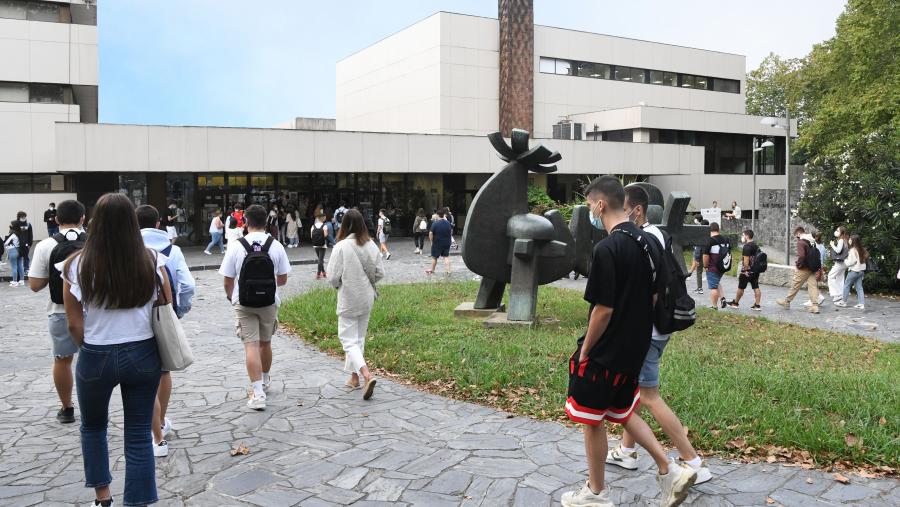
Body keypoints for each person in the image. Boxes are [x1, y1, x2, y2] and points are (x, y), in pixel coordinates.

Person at [562, 176, 696, 507]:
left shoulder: (607, 248)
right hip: (637, 344)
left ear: (600, 204)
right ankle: (669, 469)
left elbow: (602, 310)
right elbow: (653, 297)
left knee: (591, 419)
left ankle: (595, 492)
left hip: (607, 348)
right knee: (622, 410)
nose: (590, 210)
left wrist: (585, 352)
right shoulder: (648, 241)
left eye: (590, 204)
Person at [60, 192, 169, 507]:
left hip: (96, 354)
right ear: (132, 224)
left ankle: (102, 497)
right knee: (137, 434)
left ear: (94, 223)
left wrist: (91, 348)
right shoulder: (151, 259)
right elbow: (167, 303)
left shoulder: (75, 264)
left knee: (93, 427)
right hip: (143, 353)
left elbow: (73, 323)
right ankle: (137, 502)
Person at [606, 186, 712, 486]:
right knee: (634, 391)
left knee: (650, 396)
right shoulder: (657, 234)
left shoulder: (642, 240)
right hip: (659, 328)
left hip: (647, 331)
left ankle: (693, 462)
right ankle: (627, 451)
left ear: (636, 210)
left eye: (622, 208)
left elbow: (644, 292)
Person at [137, 205, 196, 458]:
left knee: (143, 375)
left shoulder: (129, 249)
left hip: (135, 319)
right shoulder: (173, 250)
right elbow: (187, 285)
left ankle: (154, 430)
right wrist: (178, 310)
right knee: (163, 371)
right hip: (163, 314)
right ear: (159, 224)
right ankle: (159, 423)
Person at [219, 204, 291, 411]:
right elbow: (283, 279)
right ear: (266, 222)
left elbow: (227, 280)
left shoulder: (237, 245)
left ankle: (258, 393)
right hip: (268, 302)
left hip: (244, 302)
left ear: (246, 222)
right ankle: (266, 379)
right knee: (265, 343)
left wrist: (231, 297)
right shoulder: (275, 245)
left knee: (250, 345)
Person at [28, 200, 86, 424]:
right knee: (93, 359)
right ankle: (94, 405)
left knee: (62, 360)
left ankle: (67, 408)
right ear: (83, 218)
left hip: (59, 311)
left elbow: (35, 285)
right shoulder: (95, 243)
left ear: (56, 219)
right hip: (93, 311)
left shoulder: (45, 245)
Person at [326, 209, 384, 401]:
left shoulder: (341, 246)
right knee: (358, 339)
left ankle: (366, 375)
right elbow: (379, 273)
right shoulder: (372, 246)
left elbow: (332, 276)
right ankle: (354, 378)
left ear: (344, 225)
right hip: (366, 297)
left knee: (348, 340)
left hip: (349, 297)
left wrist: (339, 285)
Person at [776, 227, 822, 314]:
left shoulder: (801, 242)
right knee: (813, 286)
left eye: (796, 235)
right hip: (812, 268)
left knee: (795, 285)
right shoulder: (812, 241)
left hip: (803, 268)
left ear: (798, 233)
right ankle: (815, 306)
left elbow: (801, 256)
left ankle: (787, 301)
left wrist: (798, 265)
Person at [727, 229, 762, 310]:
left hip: (747, 271)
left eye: (743, 235)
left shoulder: (746, 247)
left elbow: (746, 260)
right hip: (755, 270)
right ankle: (757, 305)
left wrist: (745, 270)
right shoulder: (756, 245)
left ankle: (735, 303)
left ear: (747, 236)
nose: (742, 237)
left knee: (741, 287)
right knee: (756, 286)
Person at [702, 222, 731, 310]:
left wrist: (705, 266)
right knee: (716, 282)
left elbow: (705, 256)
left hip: (713, 267)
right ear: (718, 229)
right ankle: (723, 299)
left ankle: (714, 306)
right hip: (723, 266)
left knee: (713, 287)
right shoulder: (726, 239)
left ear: (709, 230)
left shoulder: (709, 241)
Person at [836, 234, 868, 310]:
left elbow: (852, 261)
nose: (849, 240)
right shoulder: (861, 249)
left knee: (846, 285)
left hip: (854, 271)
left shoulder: (853, 250)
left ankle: (843, 302)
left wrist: (845, 260)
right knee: (859, 287)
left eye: (850, 239)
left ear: (853, 241)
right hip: (861, 271)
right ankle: (861, 304)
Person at [426, 208, 454, 275]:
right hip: (447, 242)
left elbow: (430, 233)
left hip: (437, 243)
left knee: (434, 257)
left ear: (437, 215)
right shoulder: (447, 223)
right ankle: (449, 271)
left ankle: (432, 270)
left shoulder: (435, 223)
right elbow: (451, 231)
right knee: (446, 256)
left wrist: (431, 241)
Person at [804, 232, 827, 307]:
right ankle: (815, 298)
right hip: (819, 267)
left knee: (811, 284)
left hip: (813, 266)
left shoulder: (813, 245)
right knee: (814, 283)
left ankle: (817, 298)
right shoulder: (823, 247)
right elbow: (824, 258)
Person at [828, 226, 850, 303]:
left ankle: (836, 294)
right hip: (845, 262)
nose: (836, 232)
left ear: (841, 233)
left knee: (830, 276)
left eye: (838, 230)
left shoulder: (841, 240)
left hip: (840, 263)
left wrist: (832, 244)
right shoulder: (845, 240)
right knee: (840, 278)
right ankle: (840, 294)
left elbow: (838, 250)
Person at [688, 219, 709, 295]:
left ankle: (700, 288)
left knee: (699, 272)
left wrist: (696, 259)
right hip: (709, 256)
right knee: (709, 271)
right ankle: (714, 287)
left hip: (701, 256)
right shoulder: (709, 233)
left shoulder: (700, 235)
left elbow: (698, 248)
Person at [5, 221, 25, 286]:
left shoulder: (13, 234)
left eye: (11, 224)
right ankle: (22, 280)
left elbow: (6, 243)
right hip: (20, 250)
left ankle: (15, 281)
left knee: (14, 266)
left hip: (13, 251)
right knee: (20, 266)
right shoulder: (20, 233)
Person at [311, 213, 329, 279]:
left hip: (315, 244)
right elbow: (325, 235)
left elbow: (311, 236)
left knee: (320, 259)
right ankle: (318, 274)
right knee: (321, 260)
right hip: (323, 244)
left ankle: (323, 272)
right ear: (323, 218)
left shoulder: (313, 226)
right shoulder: (324, 226)